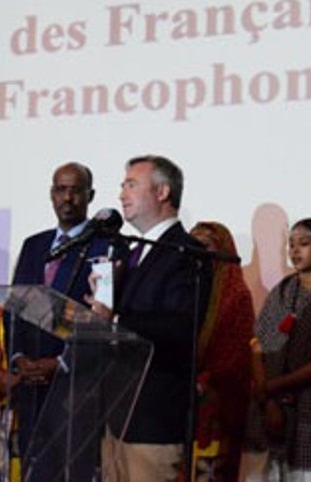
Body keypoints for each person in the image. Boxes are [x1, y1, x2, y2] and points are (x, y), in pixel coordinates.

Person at [0, 161, 110, 478]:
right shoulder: (34, 245)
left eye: (75, 190)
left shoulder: (106, 245)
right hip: (30, 386)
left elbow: (101, 321)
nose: (67, 198)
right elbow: (14, 309)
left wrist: (60, 363)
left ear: (90, 195)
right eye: (60, 190)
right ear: (51, 194)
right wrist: (18, 358)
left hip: (74, 389)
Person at [94, 154, 212, 482]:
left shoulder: (187, 253)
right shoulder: (132, 252)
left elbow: (180, 328)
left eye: (131, 185)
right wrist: (103, 298)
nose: (121, 194)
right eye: (122, 186)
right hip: (116, 417)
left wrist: (113, 319)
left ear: (162, 192)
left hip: (153, 420)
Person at [243, 218, 311, 482]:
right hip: (267, 408)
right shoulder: (282, 291)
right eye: (291, 245)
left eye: (303, 244)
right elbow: (258, 347)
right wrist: (269, 399)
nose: (294, 251)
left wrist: (272, 388)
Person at [188, 221, 255, 482]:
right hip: (180, 403)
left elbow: (236, 358)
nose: (197, 252)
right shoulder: (187, 288)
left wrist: (203, 380)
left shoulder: (236, 295)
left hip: (217, 402)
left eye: (204, 246)